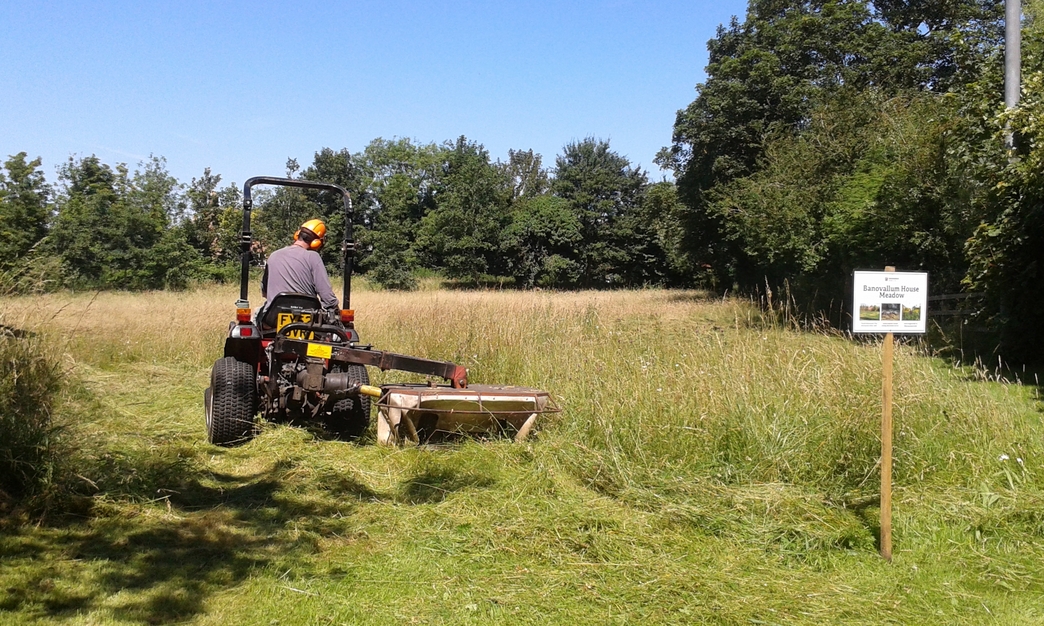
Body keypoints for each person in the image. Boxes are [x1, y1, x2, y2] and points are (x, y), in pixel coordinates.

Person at [258, 219, 339, 325]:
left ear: (297, 235)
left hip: (273, 319)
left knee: (256, 316)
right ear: (316, 242)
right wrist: (336, 311)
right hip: (308, 320)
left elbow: (265, 293)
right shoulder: (313, 257)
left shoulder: (274, 255)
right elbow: (327, 297)